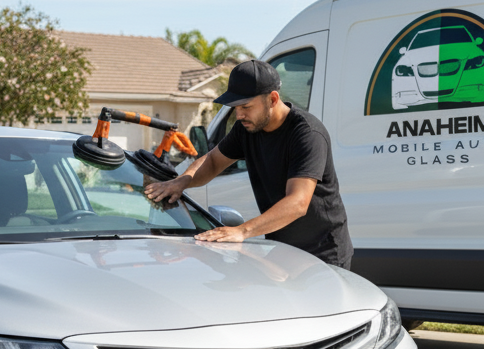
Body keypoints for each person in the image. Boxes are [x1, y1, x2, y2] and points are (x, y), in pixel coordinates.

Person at [144, 59, 352, 269]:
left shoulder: (307, 134)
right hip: (284, 250)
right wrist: (181, 182)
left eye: (246, 106)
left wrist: (241, 231)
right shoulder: (246, 128)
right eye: (235, 107)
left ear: (272, 99)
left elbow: (298, 202)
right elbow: (213, 161)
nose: (239, 114)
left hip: (323, 254)